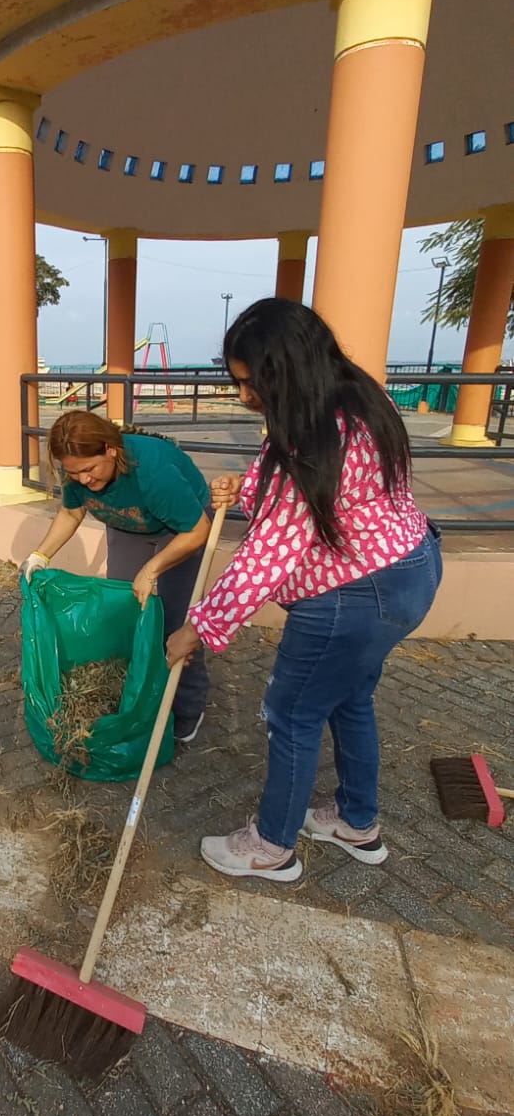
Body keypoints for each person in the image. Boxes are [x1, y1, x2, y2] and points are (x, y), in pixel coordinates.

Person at [166, 298, 441, 881]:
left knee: (290, 713)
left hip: (354, 596)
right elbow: (323, 494)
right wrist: (248, 488)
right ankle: (356, 821)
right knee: (349, 699)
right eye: (238, 383)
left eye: (253, 383)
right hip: (410, 569)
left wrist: (199, 628)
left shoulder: (312, 443)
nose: (246, 396)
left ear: (287, 369)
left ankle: (272, 847)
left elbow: (267, 553)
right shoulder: (360, 398)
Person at [22, 410, 212, 741]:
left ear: (111, 450)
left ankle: (187, 709)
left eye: (89, 470)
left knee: (175, 624)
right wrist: (40, 555)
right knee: (126, 613)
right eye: (74, 473)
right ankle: (135, 698)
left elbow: (198, 530)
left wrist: (151, 569)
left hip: (181, 527)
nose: (83, 480)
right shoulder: (76, 467)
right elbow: (71, 512)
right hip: (129, 525)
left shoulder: (152, 471)